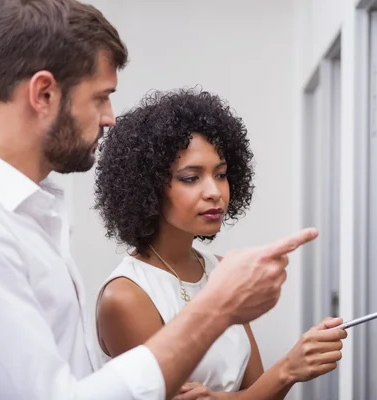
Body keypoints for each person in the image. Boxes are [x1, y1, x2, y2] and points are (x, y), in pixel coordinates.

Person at [0, 1, 319, 399]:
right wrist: (221, 306)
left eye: (220, 174)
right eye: (101, 97)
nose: (110, 118)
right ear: (44, 93)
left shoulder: (33, 212)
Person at [94, 89, 347, 399]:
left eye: (222, 174)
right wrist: (289, 369)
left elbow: (256, 390)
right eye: (191, 178)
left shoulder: (221, 268)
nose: (215, 191)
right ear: (147, 186)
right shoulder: (126, 298)